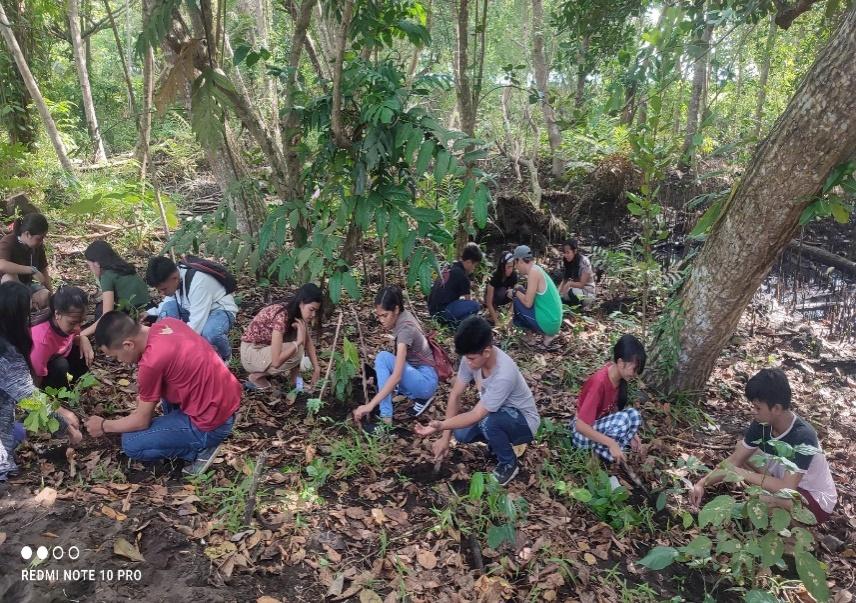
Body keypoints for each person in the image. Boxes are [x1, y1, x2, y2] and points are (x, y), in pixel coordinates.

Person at [86, 311, 241, 474]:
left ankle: (201, 449)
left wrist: (104, 425)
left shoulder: (151, 363)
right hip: (226, 404)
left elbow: (141, 422)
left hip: (211, 424)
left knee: (131, 442)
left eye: (116, 356)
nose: (120, 361)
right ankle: (192, 434)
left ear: (128, 345)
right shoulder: (168, 323)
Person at [689, 369, 837, 525]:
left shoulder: (803, 436)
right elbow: (736, 459)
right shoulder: (762, 423)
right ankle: (771, 503)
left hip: (814, 500)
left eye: (758, 408)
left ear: (777, 409)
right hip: (785, 482)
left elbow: (787, 487)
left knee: (763, 501)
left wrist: (740, 473)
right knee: (743, 449)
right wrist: (702, 483)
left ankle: (795, 534)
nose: (754, 412)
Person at [415, 316, 540, 485]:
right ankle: (497, 444)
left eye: (472, 358)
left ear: (486, 352)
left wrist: (441, 425)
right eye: (466, 357)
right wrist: (445, 438)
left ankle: (508, 463)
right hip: (497, 413)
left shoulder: (504, 374)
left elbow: (477, 414)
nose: (467, 362)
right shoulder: (471, 358)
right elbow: (455, 394)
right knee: (461, 432)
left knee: (488, 422)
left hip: (523, 422)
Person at [1, 282, 82, 482]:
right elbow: (29, 398)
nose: (33, 316)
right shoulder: (5, 354)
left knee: (18, 432)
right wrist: (67, 425)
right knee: (4, 465)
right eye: (28, 312)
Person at [353, 286, 439, 431]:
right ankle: (415, 398)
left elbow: (397, 375)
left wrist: (370, 405)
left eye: (385, 315)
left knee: (383, 358)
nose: (381, 320)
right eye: (379, 316)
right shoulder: (404, 318)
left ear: (396, 309)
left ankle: (385, 420)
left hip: (425, 381)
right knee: (384, 361)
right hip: (422, 376)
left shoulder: (405, 330)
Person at [568, 334, 646, 464]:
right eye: (634, 369)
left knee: (634, 415)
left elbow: (613, 411)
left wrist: (632, 435)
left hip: (597, 426)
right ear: (621, 363)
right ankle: (607, 455)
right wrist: (611, 443)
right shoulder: (599, 382)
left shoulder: (618, 380)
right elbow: (580, 426)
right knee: (623, 420)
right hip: (581, 435)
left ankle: (613, 450)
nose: (635, 375)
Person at [145, 256, 237, 361]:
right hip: (192, 309)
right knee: (167, 312)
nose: (162, 293)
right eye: (159, 290)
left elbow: (196, 325)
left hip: (219, 311)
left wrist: (175, 345)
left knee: (210, 333)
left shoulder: (199, 283)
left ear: (174, 277)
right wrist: (150, 313)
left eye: (163, 289)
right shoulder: (175, 278)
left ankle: (225, 356)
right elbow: (168, 303)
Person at [241, 283, 322, 391]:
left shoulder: (296, 313)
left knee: (298, 344)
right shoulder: (282, 316)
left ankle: (297, 383)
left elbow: (308, 341)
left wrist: (316, 368)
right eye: (311, 310)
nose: (313, 315)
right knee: (297, 350)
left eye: (316, 311)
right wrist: (298, 342)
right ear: (301, 303)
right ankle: (256, 377)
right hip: (251, 353)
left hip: (264, 350)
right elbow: (276, 361)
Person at [30, 286, 93, 391]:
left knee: (82, 351)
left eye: (81, 321)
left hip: (57, 356)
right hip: (40, 373)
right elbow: (35, 378)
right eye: (73, 323)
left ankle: (73, 388)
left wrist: (83, 339)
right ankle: (60, 397)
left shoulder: (62, 323)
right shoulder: (42, 340)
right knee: (60, 365)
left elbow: (69, 338)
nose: (78, 329)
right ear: (57, 314)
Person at [510, 245, 563, 347]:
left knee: (517, 298)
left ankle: (531, 338)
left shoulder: (533, 273)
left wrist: (514, 293)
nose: (516, 267)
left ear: (520, 261)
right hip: (553, 321)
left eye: (515, 263)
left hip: (549, 322)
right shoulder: (536, 269)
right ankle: (545, 335)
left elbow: (528, 303)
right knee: (520, 291)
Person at [0, 213, 51, 310]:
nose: (41, 241)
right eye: (39, 238)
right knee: (10, 277)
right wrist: (31, 270)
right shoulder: (9, 241)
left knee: (45, 295)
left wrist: (51, 294)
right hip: (6, 288)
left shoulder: (38, 247)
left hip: (27, 286)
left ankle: (28, 307)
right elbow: (2, 264)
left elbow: (44, 269)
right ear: (27, 234)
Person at [427, 242, 483, 326]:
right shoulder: (462, 276)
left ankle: (453, 324)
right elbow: (468, 301)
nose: (474, 268)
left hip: (432, 310)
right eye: (474, 265)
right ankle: (455, 324)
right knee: (475, 306)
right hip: (442, 312)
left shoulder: (450, 265)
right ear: (468, 262)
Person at [558, 240, 595, 307]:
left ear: (574, 251)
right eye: (564, 253)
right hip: (576, 290)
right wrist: (557, 293)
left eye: (568, 252)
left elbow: (581, 285)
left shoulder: (584, 261)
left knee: (573, 291)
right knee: (561, 296)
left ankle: (578, 308)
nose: (566, 255)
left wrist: (569, 284)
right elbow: (565, 279)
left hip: (587, 292)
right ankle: (570, 306)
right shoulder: (568, 261)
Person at [484, 251, 518, 325]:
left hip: (503, 297)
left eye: (512, 267)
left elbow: (516, 297)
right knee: (501, 291)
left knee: (517, 291)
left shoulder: (513, 275)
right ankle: (493, 313)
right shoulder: (495, 276)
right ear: (503, 267)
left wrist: (508, 316)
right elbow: (488, 302)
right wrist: (497, 322)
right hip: (493, 298)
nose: (510, 270)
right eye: (508, 267)